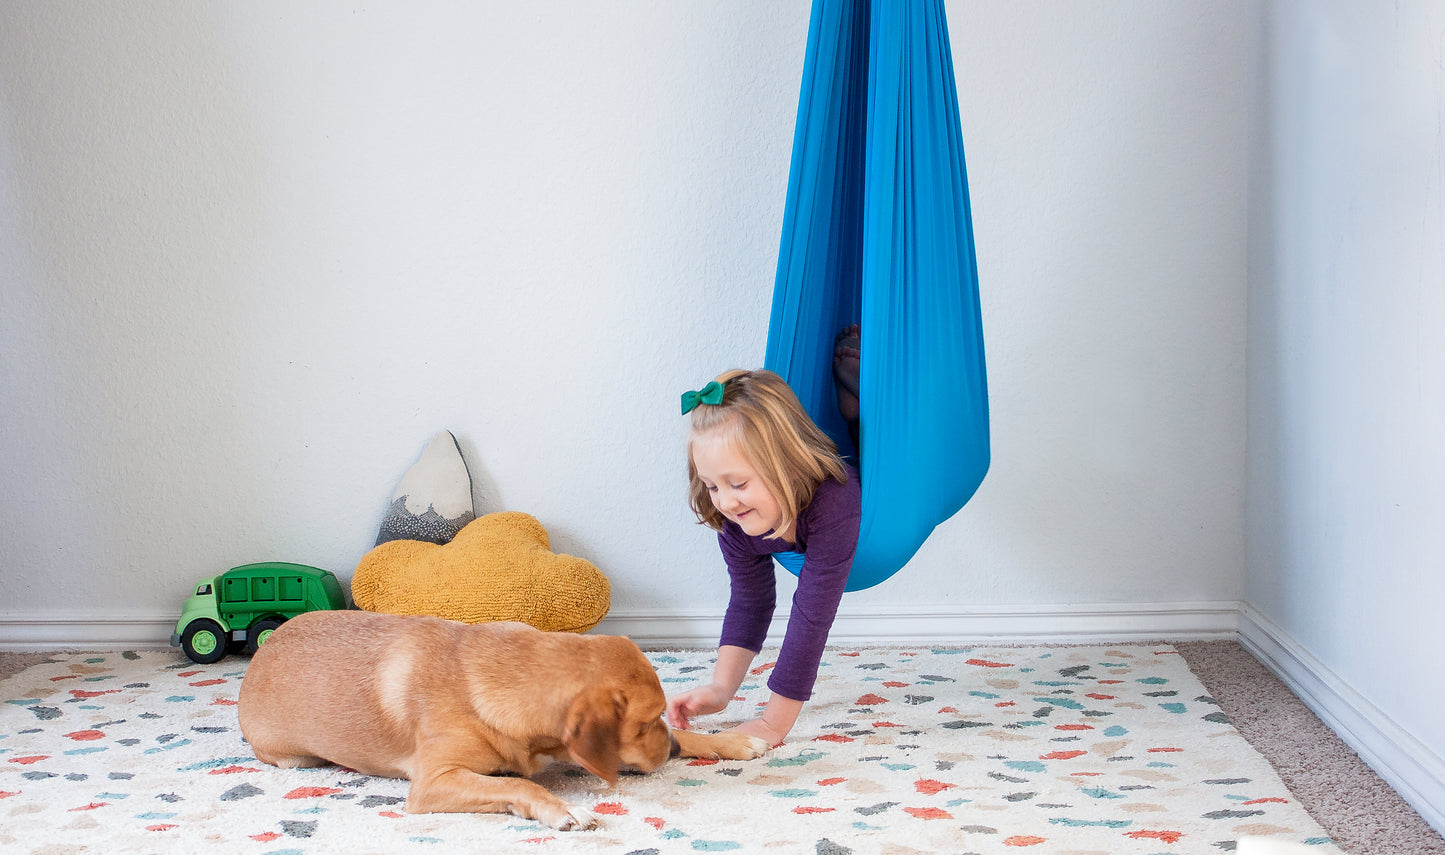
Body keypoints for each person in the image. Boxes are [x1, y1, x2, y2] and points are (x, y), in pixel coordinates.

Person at [666, 368, 861, 746]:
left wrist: (773, 724)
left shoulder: (835, 502)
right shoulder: (734, 519)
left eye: (738, 483)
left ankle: (854, 411)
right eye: (711, 485)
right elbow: (749, 603)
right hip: (799, 515)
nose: (725, 501)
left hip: (872, 510)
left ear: (786, 464)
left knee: (874, 453)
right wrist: (721, 690)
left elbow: (811, 618)